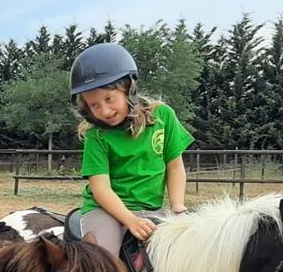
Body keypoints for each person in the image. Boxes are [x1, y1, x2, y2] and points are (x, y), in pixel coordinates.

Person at [72, 43, 195, 254]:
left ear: (128, 88)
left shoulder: (163, 116)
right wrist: (130, 220)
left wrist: (177, 206)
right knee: (102, 262)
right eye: (94, 105)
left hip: (152, 209)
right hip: (105, 211)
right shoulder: (97, 135)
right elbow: (100, 189)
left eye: (109, 99)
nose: (105, 110)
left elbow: (174, 167)